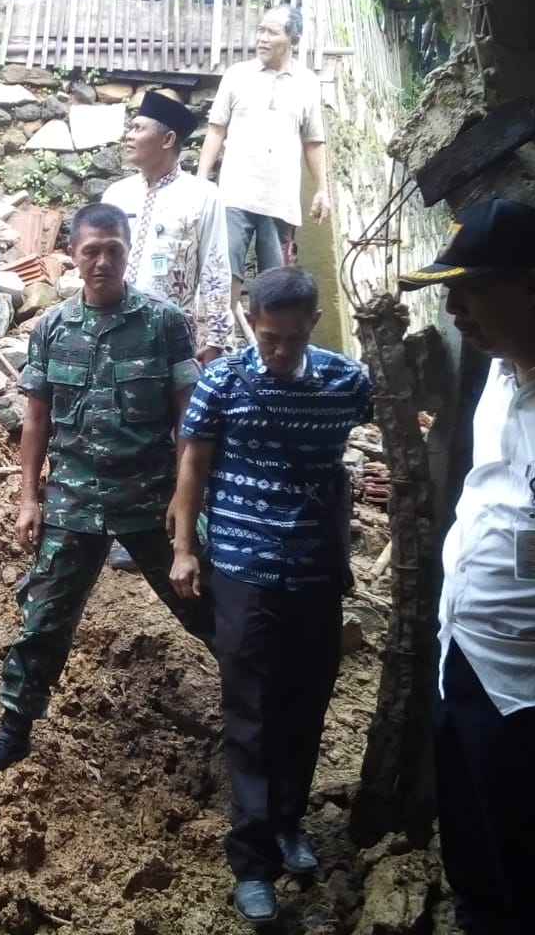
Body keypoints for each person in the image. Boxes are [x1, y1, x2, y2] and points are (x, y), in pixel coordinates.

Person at [0, 203, 214, 775]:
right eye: (90, 250)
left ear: (128, 250)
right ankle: (14, 729)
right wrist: (30, 497)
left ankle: (256, 709)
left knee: (208, 609)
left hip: (150, 503)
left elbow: (189, 424)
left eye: (114, 249)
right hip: (72, 504)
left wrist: (185, 501)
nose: (102, 261)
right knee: (42, 621)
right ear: (72, 255)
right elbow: (36, 420)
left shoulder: (164, 322)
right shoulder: (53, 326)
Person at [399, 197, 535, 934]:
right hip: (464, 664)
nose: (454, 311)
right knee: (475, 870)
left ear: (533, 286)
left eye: (468, 290)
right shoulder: (502, 376)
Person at [167, 265, 372, 923]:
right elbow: (192, 465)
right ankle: (252, 858)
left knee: (305, 703)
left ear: (313, 324)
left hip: (315, 571)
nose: (278, 350)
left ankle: (288, 823)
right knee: (250, 712)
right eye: (267, 337)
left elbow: (389, 428)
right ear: (250, 323)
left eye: (290, 337)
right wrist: (182, 549)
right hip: (243, 569)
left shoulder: (347, 382)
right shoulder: (223, 380)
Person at [103, 89, 233, 572]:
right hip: (116, 332)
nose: (129, 135)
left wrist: (212, 342)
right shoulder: (116, 195)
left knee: (178, 434)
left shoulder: (203, 197)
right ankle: (123, 526)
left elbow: (217, 271)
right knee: (122, 426)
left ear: (169, 138)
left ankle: (179, 526)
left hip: (173, 338)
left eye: (139, 128)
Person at [197, 4, 329, 317]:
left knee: (276, 283)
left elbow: (313, 141)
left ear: (293, 40)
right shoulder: (237, 75)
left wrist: (323, 189)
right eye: (261, 30)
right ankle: (221, 340)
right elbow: (216, 130)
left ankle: (267, 354)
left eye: (272, 32)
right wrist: (201, 180)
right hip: (234, 194)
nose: (262, 38)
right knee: (224, 270)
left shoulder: (308, 83)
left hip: (279, 201)